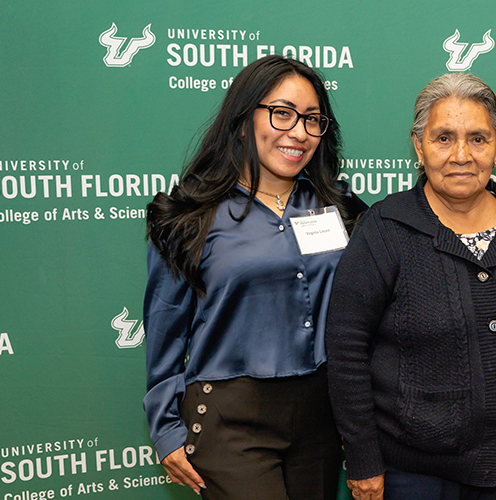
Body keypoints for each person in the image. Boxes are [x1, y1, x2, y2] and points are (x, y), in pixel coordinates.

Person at [143, 55, 365, 499]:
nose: (299, 132)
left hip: (321, 417)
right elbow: (165, 330)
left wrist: (490, 198)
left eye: (313, 120)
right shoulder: (191, 218)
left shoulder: (341, 208)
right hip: (230, 419)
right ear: (244, 120)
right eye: (282, 113)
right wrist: (166, 429)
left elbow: (413, 229)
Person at [325, 73, 496, 500]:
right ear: (419, 146)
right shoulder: (385, 229)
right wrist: (362, 457)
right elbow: (345, 348)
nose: (461, 155)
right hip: (416, 477)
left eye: (478, 139)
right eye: (444, 138)